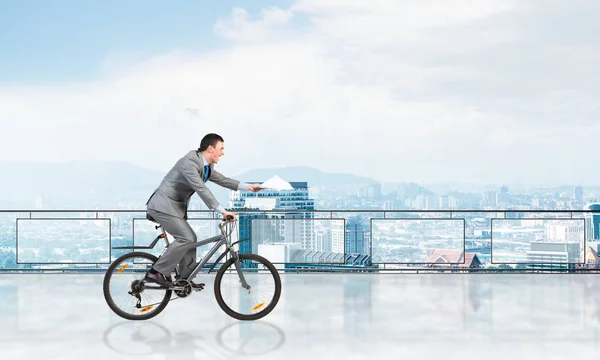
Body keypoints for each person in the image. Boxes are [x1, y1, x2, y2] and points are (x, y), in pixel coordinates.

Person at [143, 133, 263, 287]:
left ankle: (184, 279)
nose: (223, 153)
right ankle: (156, 272)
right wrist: (222, 211)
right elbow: (201, 189)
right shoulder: (189, 162)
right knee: (186, 238)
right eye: (221, 148)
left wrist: (249, 187)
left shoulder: (206, 166)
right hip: (162, 206)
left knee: (191, 239)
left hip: (174, 207)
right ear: (211, 148)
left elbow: (222, 180)